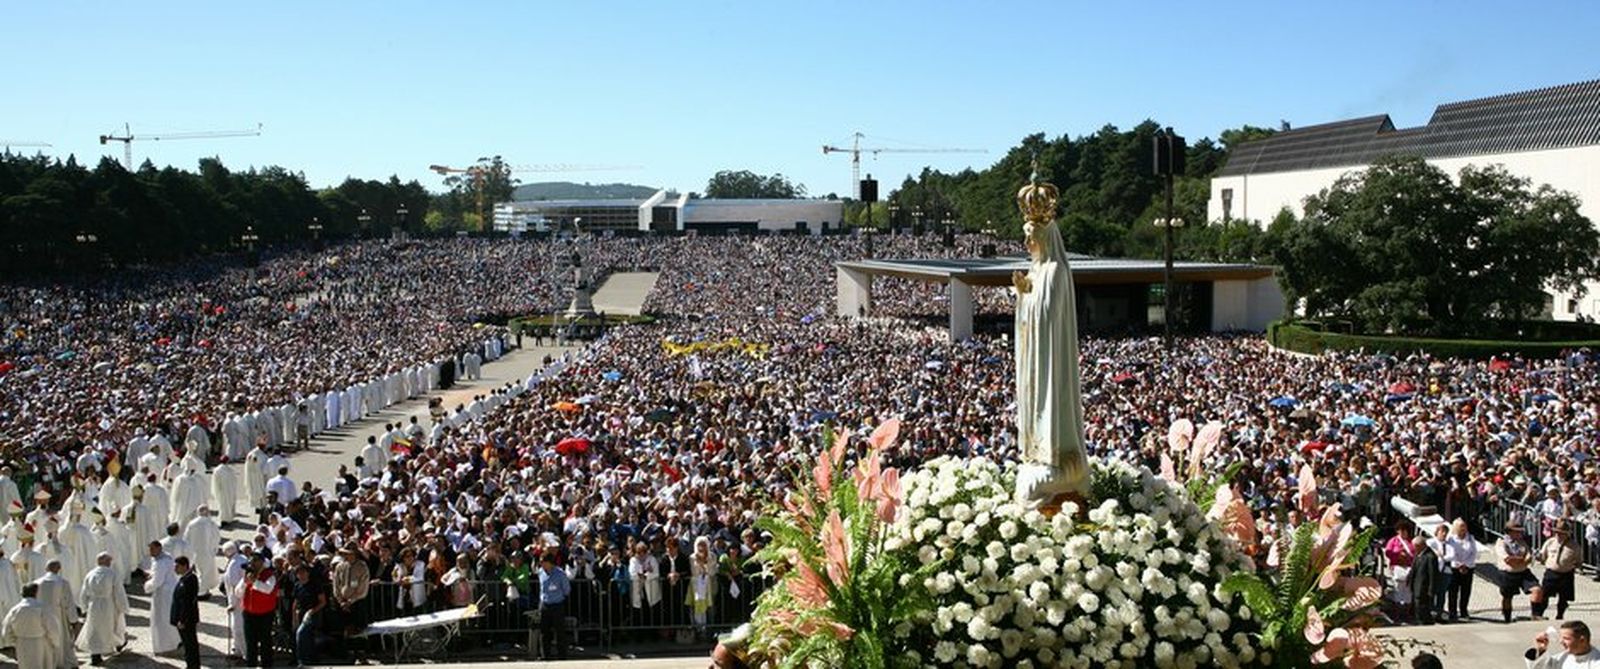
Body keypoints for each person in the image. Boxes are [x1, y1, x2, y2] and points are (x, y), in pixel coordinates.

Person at [77, 553, 128, 667]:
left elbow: (83, 593)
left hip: (93, 605)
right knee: (112, 626)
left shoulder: (90, 574)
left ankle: (95, 655)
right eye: (109, 561)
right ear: (106, 562)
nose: (110, 563)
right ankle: (118, 643)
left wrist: (84, 607)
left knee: (95, 629)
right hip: (108, 604)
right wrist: (123, 606)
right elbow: (119, 592)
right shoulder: (112, 574)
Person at [1, 583, 58, 669]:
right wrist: (54, 642)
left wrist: (12, 642)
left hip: (21, 643)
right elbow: (52, 627)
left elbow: (6, 628)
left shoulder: (15, 610)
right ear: (36, 593)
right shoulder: (42, 608)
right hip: (40, 643)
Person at [34, 560, 75, 669]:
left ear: (46, 569)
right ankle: (59, 662)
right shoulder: (62, 582)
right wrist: (73, 619)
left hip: (40, 614)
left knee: (45, 638)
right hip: (57, 613)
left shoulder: (37, 582)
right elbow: (69, 602)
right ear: (58, 569)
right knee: (59, 637)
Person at [1536, 523, 1581, 620]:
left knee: (1563, 598)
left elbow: (1579, 560)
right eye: (1557, 532)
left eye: (1561, 533)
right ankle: (1539, 614)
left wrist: (1574, 566)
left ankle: (1560, 615)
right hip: (1551, 573)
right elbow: (1542, 555)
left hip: (1566, 574)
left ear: (1567, 534)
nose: (1558, 535)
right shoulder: (1550, 542)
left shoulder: (1574, 546)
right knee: (1544, 595)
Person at [1499, 521, 1542, 623]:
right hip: (1508, 573)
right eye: (1516, 532)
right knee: (1507, 597)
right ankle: (1507, 617)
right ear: (1509, 532)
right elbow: (1508, 560)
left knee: (1537, 590)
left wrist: (1520, 560)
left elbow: (1528, 556)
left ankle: (1535, 615)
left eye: (1520, 532)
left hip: (1523, 572)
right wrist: (1521, 560)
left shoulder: (1522, 542)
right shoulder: (1501, 542)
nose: (1519, 534)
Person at [240, 554, 278, 668]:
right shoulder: (248, 575)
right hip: (249, 614)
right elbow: (238, 592)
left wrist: (254, 582)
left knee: (265, 642)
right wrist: (244, 583)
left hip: (265, 615)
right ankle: (251, 665)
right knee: (250, 643)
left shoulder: (270, 576)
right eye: (251, 562)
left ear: (261, 562)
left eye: (254, 562)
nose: (252, 564)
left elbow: (267, 589)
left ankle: (266, 665)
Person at [143, 540, 179, 654]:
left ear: (159, 548)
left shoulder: (161, 562)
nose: (150, 552)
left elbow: (157, 581)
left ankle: (165, 645)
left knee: (161, 619)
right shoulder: (165, 558)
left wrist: (147, 586)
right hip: (168, 592)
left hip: (163, 594)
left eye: (152, 549)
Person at [1527, 620, 1600, 668]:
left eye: (1566, 638)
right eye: (1561, 638)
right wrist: (1540, 650)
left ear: (1582, 640)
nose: (1561, 642)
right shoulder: (1561, 658)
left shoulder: (1596, 663)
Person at [538, 554, 570, 660]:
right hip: (545, 604)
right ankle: (545, 655)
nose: (541, 564)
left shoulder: (560, 573)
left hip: (557, 604)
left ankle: (562, 655)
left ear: (550, 562)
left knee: (559, 631)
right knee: (544, 631)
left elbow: (566, 589)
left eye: (543, 562)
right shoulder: (540, 572)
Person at [1446, 517, 1479, 621]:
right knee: (1453, 591)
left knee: (1466, 590)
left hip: (1468, 567)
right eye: (1461, 527)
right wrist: (1459, 565)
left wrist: (1466, 565)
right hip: (1455, 568)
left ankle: (1464, 610)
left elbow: (1474, 553)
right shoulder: (1451, 539)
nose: (1463, 529)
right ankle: (1452, 612)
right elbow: (1451, 553)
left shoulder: (1471, 538)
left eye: (1464, 526)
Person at [171, 556, 201, 669]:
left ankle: (193, 666)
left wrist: (182, 619)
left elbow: (187, 602)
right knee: (187, 644)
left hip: (187, 620)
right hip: (183, 619)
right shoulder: (184, 578)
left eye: (177, 566)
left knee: (190, 644)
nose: (175, 569)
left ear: (184, 566)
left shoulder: (190, 579)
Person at [1408, 535, 1441, 625]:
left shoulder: (1430, 556)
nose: (1414, 549)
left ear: (1420, 546)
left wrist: (1431, 590)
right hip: (1416, 586)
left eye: (1415, 546)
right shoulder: (1418, 554)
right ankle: (1420, 620)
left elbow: (1433, 574)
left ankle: (1425, 622)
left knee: (1423, 607)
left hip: (1424, 587)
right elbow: (1413, 569)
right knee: (1417, 606)